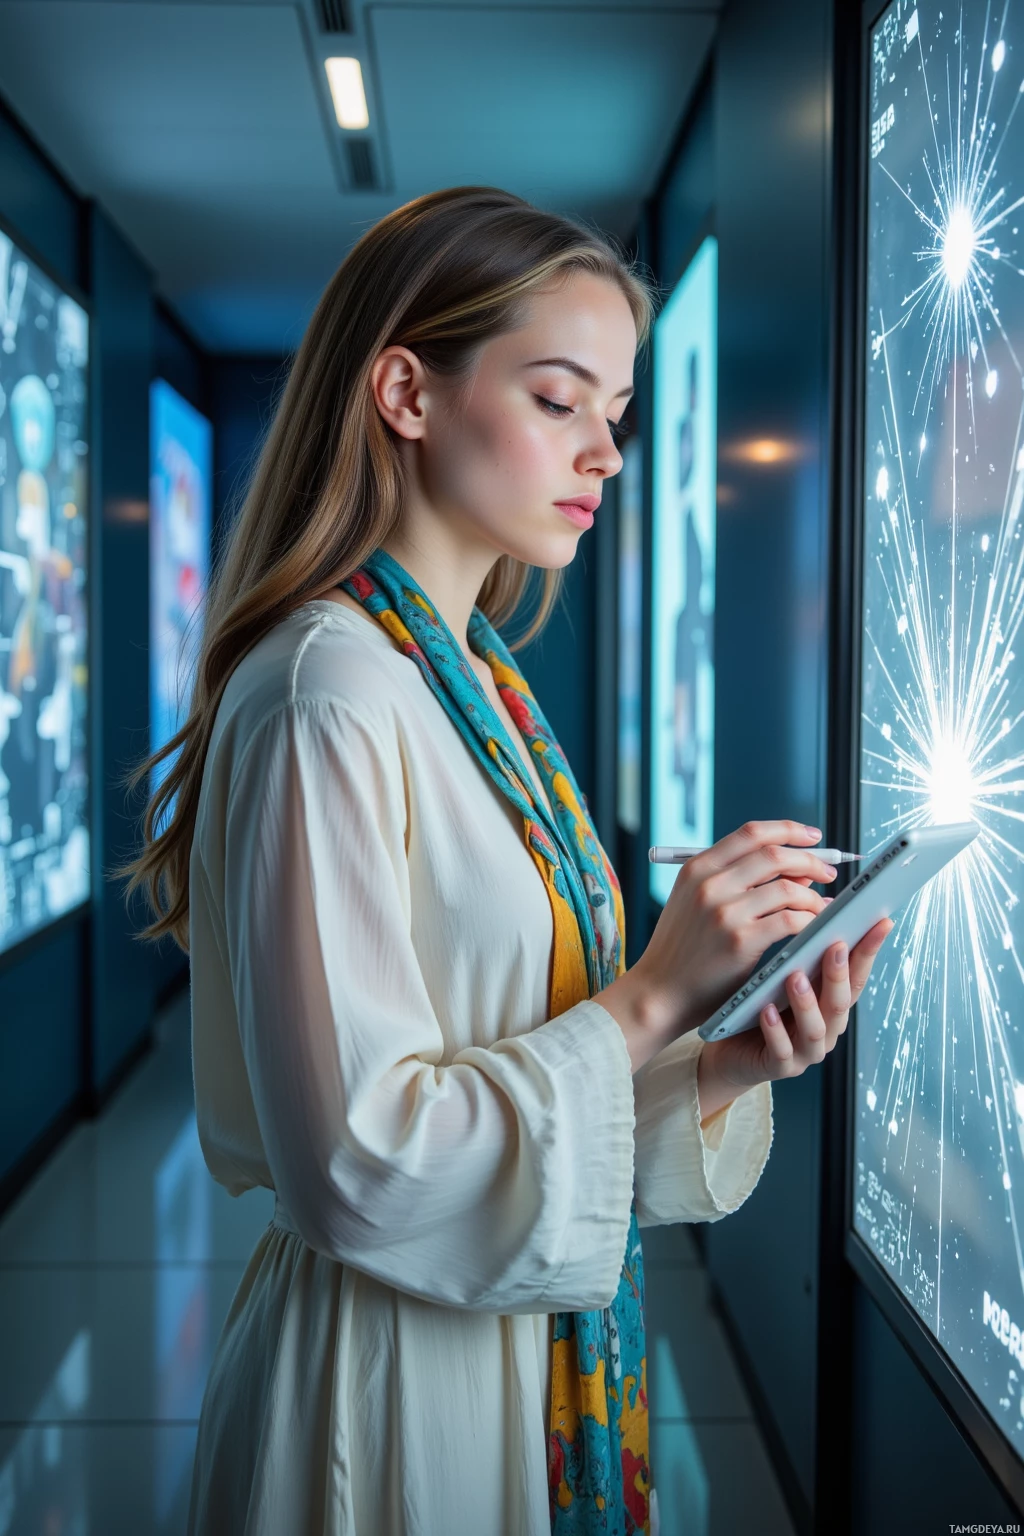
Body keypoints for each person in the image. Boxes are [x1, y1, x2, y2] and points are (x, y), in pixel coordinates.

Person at [122, 187, 892, 1536]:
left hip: (511, 1355)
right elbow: (365, 1159)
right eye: (558, 398)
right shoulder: (330, 691)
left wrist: (719, 1061)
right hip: (384, 1394)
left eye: (615, 410)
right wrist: (657, 992)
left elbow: (541, 1097)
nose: (605, 452)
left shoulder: (484, 690)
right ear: (407, 392)